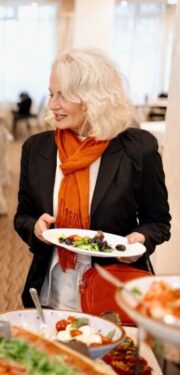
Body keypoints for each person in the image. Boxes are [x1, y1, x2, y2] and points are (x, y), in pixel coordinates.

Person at [14, 48, 171, 310]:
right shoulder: (37, 148)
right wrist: (37, 228)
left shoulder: (137, 149)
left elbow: (158, 222)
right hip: (52, 289)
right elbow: (23, 217)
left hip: (111, 288)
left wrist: (139, 240)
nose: (52, 105)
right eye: (52, 93)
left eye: (63, 95)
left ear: (92, 97)